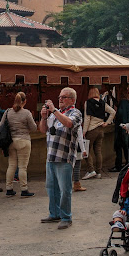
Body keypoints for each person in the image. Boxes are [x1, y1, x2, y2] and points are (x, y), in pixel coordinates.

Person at [39, 87, 82, 230]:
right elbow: (43, 130)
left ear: (72, 100)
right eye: (59, 97)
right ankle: (54, 213)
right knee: (51, 188)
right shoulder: (55, 114)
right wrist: (44, 117)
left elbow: (69, 123)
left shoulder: (75, 112)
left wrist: (54, 110)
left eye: (64, 97)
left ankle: (66, 217)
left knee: (65, 189)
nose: (60, 99)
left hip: (64, 157)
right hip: (51, 156)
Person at [2, 92, 37, 197]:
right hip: (23, 141)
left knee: (11, 165)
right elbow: (34, 128)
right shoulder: (26, 113)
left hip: (11, 142)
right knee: (22, 167)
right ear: (25, 101)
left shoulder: (8, 112)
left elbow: (1, 125)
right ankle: (24, 189)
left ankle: (9, 188)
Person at [82, 87, 116, 180]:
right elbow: (113, 112)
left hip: (91, 129)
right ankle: (98, 172)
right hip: (101, 129)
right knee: (98, 151)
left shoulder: (88, 102)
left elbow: (87, 118)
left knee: (86, 150)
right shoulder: (102, 103)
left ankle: (91, 170)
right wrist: (107, 122)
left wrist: (84, 131)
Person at [111, 87, 129, 172]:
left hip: (121, 130)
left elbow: (122, 117)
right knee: (126, 149)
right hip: (125, 129)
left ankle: (119, 165)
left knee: (119, 148)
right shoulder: (128, 103)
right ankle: (128, 163)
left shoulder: (123, 103)